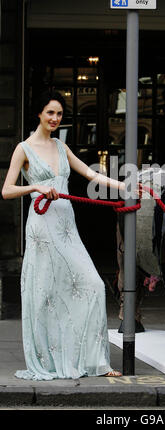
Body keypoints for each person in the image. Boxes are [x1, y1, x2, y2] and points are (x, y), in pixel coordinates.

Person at [1, 90, 125, 380]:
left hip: (67, 228)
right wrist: (35, 188)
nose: (55, 118)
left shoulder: (61, 146)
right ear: (39, 114)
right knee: (47, 295)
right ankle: (52, 360)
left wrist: (127, 187)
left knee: (93, 285)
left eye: (59, 114)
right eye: (50, 113)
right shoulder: (24, 148)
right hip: (42, 229)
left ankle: (94, 362)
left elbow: (91, 175)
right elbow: (6, 190)